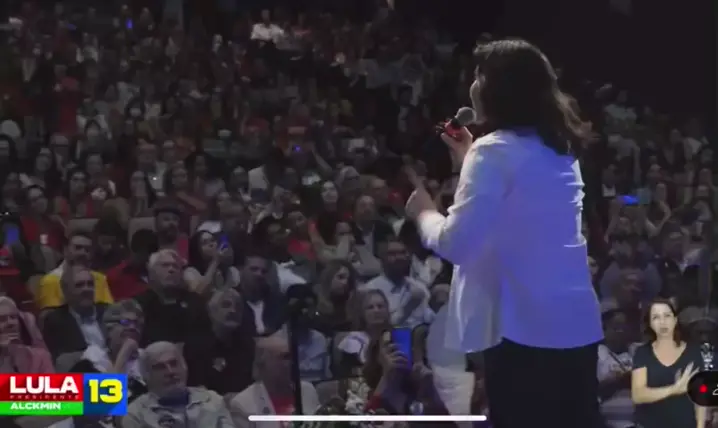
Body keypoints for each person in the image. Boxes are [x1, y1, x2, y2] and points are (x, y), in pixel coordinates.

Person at [405, 39, 603, 428]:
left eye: (480, 76)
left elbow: (456, 243)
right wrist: (468, 158)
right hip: (574, 326)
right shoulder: (560, 147)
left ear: (501, 89)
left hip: (522, 331)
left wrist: (424, 213)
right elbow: (517, 207)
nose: (473, 86)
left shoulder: (492, 152)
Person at [631, 298, 704, 428]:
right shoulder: (642, 353)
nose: (662, 322)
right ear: (650, 324)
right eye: (656, 317)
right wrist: (674, 389)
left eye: (667, 316)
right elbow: (638, 395)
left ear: (675, 320)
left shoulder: (693, 352)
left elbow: (700, 397)